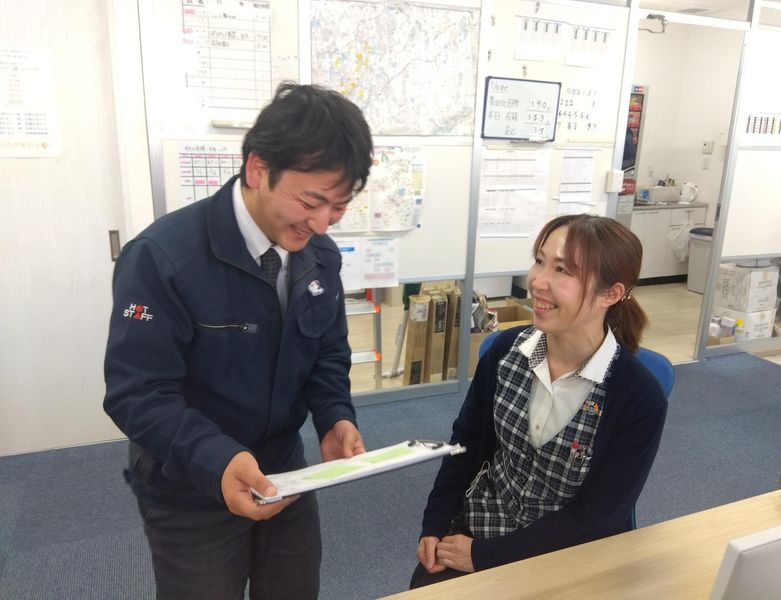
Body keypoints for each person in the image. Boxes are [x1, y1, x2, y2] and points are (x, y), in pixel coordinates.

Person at [104, 82, 373, 600]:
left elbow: (327, 353)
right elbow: (137, 393)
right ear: (257, 168)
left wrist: (335, 416)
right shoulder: (163, 258)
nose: (321, 224)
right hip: (190, 479)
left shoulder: (319, 256)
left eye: (339, 207)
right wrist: (217, 459)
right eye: (311, 201)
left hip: (283, 471)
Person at [411, 214, 668, 587]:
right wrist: (435, 521)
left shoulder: (637, 396)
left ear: (610, 294)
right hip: (482, 527)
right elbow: (465, 445)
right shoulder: (504, 351)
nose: (537, 281)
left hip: (567, 556)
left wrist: (486, 557)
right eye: (539, 261)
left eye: (562, 270)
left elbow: (599, 517)